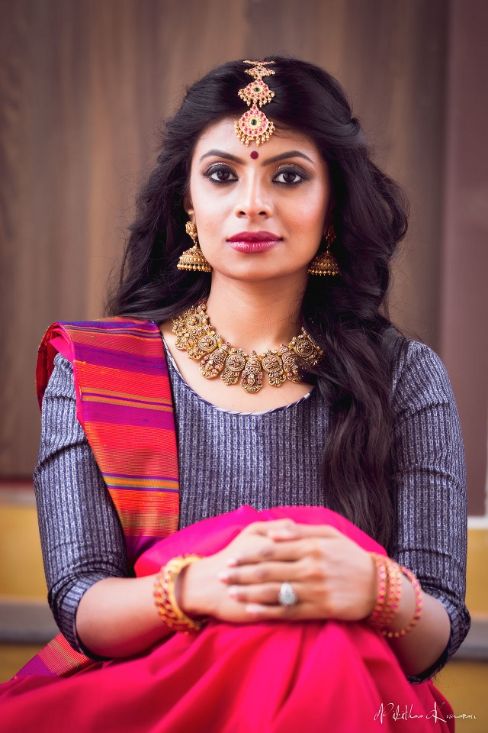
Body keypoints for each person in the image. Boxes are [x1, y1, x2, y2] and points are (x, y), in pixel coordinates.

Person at [0, 56, 470, 732]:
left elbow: (436, 633)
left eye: (289, 176)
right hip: (157, 704)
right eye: (222, 174)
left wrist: (375, 588)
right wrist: (195, 588)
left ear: (334, 206)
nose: (253, 202)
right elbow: (80, 606)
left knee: (314, 651)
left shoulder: (403, 377)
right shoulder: (99, 373)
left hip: (348, 704)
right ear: (187, 203)